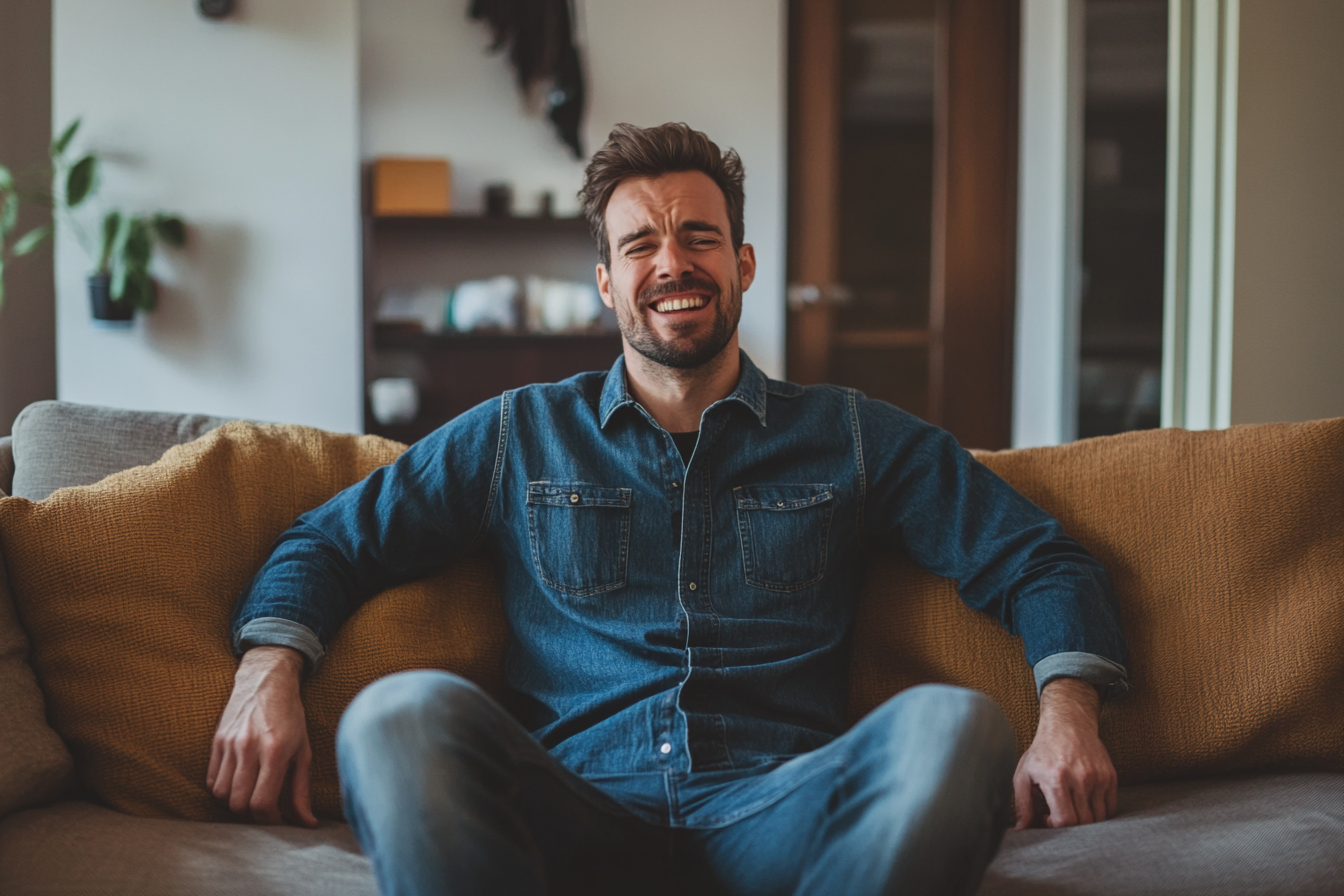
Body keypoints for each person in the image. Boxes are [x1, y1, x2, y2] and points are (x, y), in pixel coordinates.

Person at [208, 122, 1129, 896]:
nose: (672, 263)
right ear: (607, 280)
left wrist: (1067, 715)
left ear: (744, 262)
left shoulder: (852, 436)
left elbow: (1040, 560)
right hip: (574, 811)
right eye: (640, 244)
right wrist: (268, 675)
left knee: (955, 725)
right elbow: (328, 543)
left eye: (698, 236)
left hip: (781, 812)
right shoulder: (516, 433)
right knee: (395, 713)